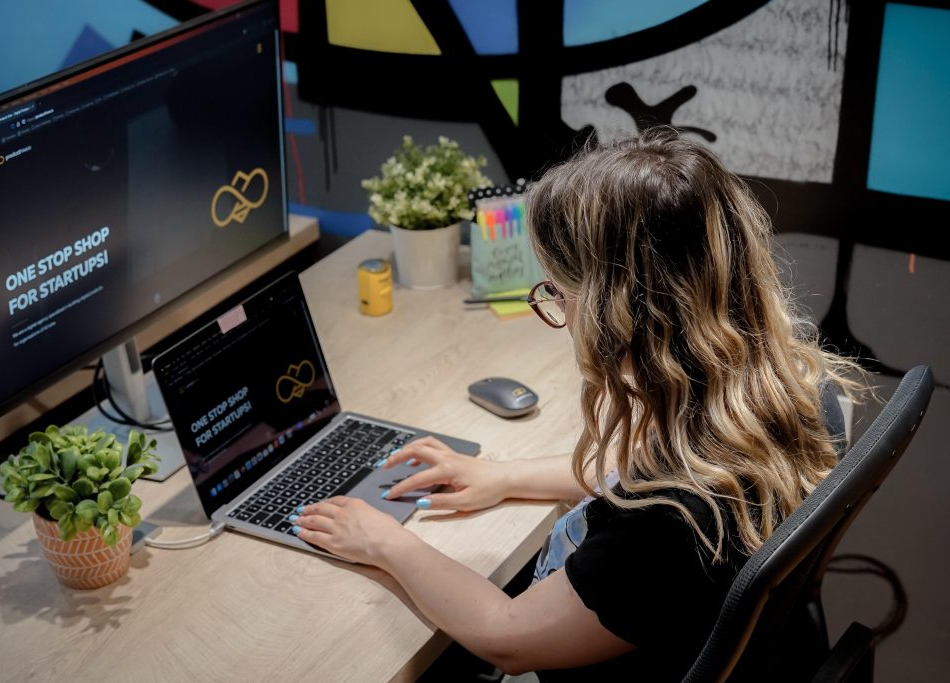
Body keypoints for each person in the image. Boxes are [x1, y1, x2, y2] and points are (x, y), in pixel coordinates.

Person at [288, 129, 865, 679]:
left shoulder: (668, 526)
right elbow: (633, 469)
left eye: (561, 295)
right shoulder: (793, 392)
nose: (561, 318)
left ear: (620, 311)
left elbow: (506, 636)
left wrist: (383, 541)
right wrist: (502, 477)